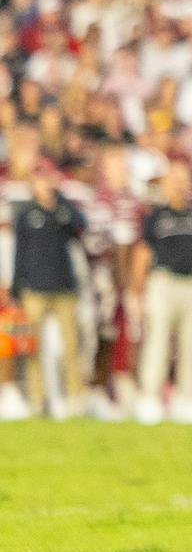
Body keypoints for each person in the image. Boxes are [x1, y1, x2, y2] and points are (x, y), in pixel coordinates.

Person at [131, 162, 192, 425]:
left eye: (185, 179)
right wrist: (136, 289)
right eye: (175, 179)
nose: (181, 185)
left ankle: (189, 398)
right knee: (158, 342)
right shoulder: (156, 217)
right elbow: (143, 252)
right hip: (164, 281)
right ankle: (150, 397)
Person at [7, 162, 88, 417]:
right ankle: (37, 399)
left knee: (72, 345)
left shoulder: (63, 210)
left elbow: (80, 225)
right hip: (34, 288)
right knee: (34, 347)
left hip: (63, 286)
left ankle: (76, 397)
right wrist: (17, 287)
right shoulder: (26, 213)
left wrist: (61, 197)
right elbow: (19, 252)